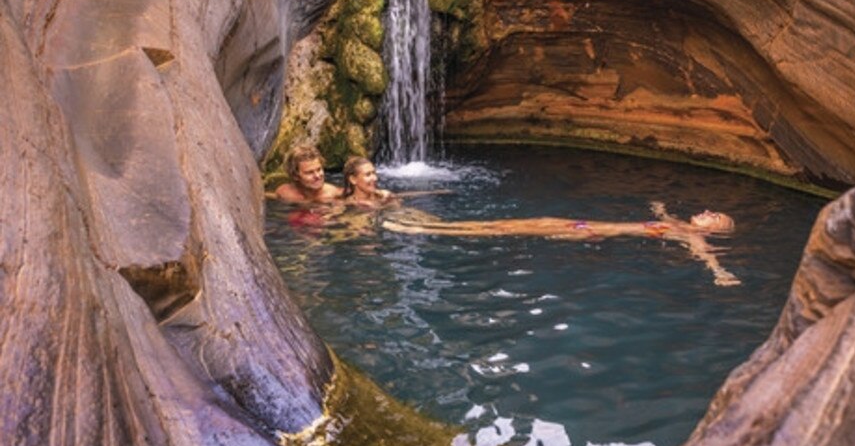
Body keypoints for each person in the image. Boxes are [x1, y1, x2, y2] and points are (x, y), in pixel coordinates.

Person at [381, 200, 741, 286]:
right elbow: (661, 220)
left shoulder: (694, 237)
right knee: (512, 224)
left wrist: (718, 272)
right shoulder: (678, 224)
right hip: (584, 225)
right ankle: (438, 226)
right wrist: (660, 209)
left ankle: (423, 232)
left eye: (715, 217)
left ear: (714, 230)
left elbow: (704, 255)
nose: (708, 212)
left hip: (587, 231)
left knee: (509, 231)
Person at [273, 144, 343, 204]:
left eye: (319, 169)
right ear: (295, 176)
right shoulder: (285, 193)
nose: (317, 176)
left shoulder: (333, 193)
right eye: (309, 172)